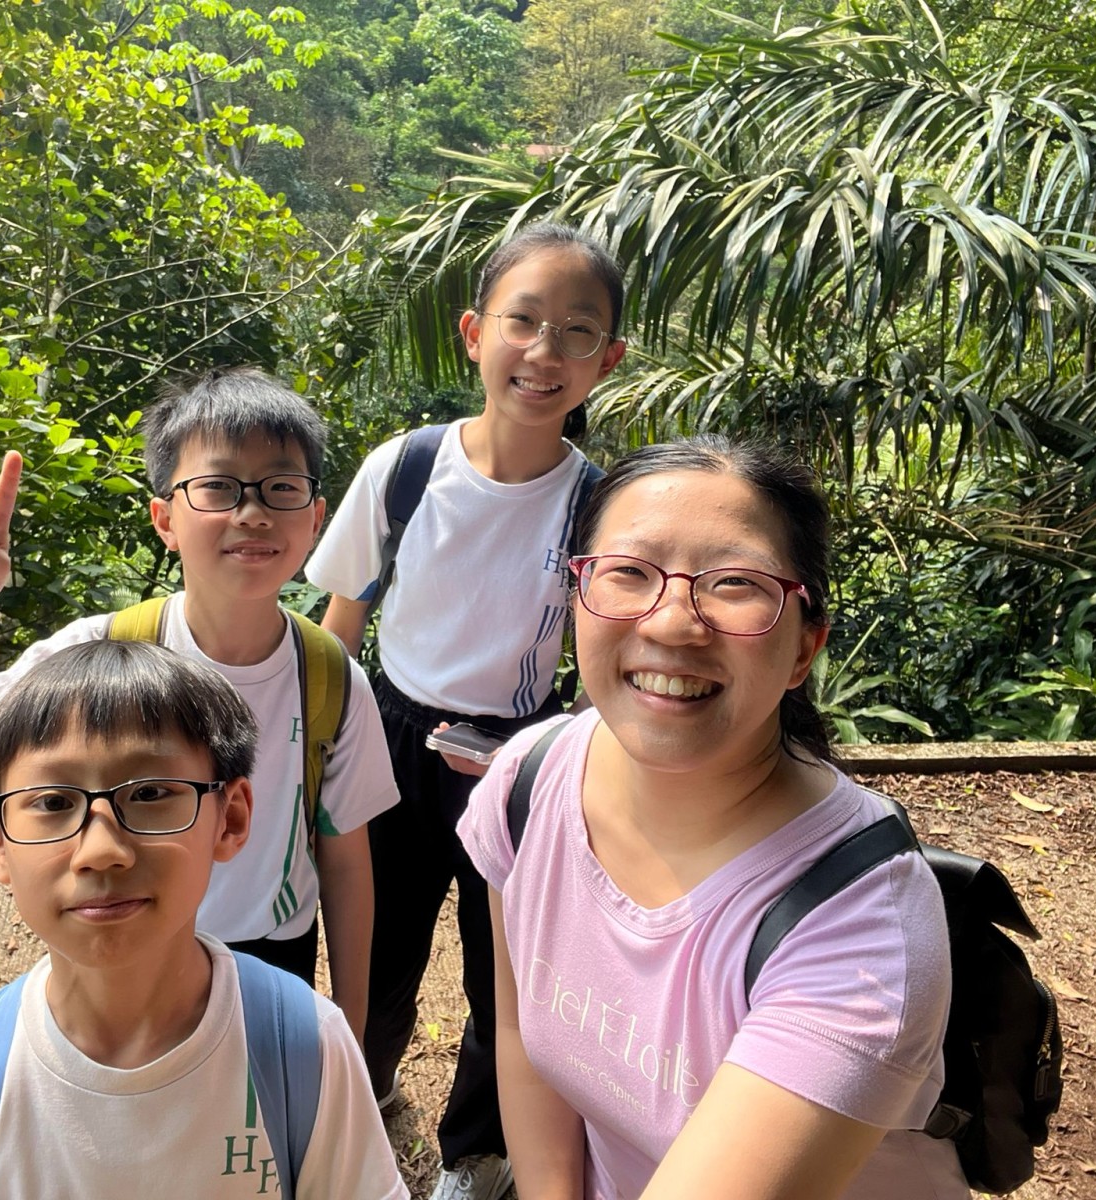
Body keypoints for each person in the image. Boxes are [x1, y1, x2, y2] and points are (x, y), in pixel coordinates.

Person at [457, 436, 966, 1200]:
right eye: (628, 572)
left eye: (734, 584)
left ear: (804, 650)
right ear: (578, 599)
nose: (671, 624)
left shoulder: (862, 933)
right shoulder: (528, 783)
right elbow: (521, 1035)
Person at [0, 639, 409, 1198]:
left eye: (150, 793)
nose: (101, 849)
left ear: (232, 817)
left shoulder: (302, 1047)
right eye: (51, 802)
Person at [0, 368, 397, 1042]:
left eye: (282, 487)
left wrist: (350, 1025)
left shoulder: (330, 677)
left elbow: (345, 862)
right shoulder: (102, 655)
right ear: (164, 519)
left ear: (315, 518)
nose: (252, 511)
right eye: (218, 487)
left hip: (271, 957)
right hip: (121, 938)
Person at [306, 222, 627, 1200]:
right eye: (523, 321)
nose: (544, 351)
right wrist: (314, 753)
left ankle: (475, 1155)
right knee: (376, 949)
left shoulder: (597, 506)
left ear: (607, 359)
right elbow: (341, 625)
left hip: (518, 754)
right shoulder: (406, 468)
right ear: (474, 332)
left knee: (507, 973)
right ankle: (368, 1087)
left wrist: (565, 760)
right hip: (391, 738)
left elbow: (605, 658)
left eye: (576, 331)